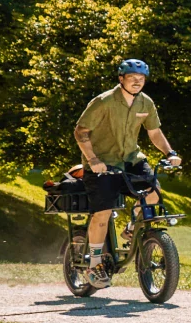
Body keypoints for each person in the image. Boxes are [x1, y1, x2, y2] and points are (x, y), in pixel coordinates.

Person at [73, 58, 183, 288]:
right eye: (132, 78)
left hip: (131, 160)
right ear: (121, 79)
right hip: (102, 164)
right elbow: (81, 131)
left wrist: (170, 152)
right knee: (102, 213)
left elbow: (154, 132)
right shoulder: (104, 101)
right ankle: (94, 263)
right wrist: (93, 160)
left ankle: (132, 229)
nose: (136, 82)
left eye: (141, 79)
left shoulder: (145, 103)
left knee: (153, 193)